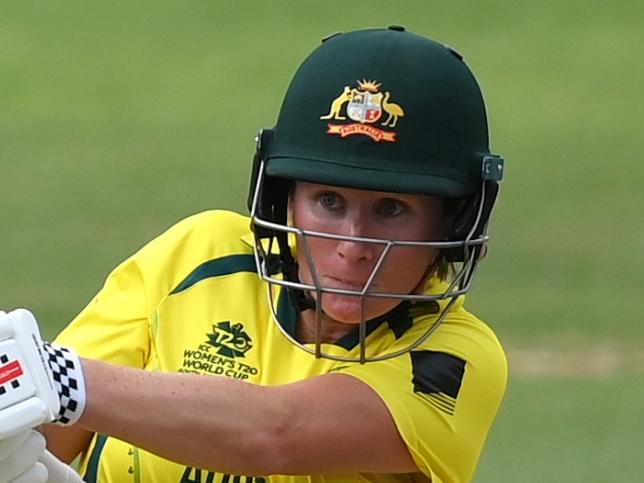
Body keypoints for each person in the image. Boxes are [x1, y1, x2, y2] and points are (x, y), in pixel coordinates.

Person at [1, 26, 506, 483]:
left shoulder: (453, 359)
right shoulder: (199, 255)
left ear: (455, 221)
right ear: (283, 200)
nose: (353, 245)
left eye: (391, 209)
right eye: (329, 202)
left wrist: (55, 374)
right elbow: (46, 437)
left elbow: (277, 434)